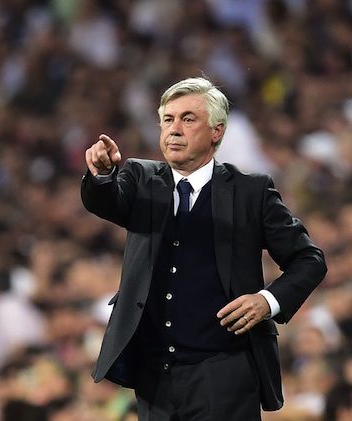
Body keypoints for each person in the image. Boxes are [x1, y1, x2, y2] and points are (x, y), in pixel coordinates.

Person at [81, 77, 327, 420]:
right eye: (167, 119)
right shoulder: (140, 178)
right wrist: (103, 175)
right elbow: (106, 201)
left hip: (224, 372)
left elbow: (309, 259)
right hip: (154, 378)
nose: (174, 129)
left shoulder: (250, 192)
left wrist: (267, 301)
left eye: (188, 119)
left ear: (217, 132)